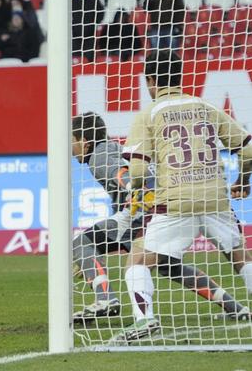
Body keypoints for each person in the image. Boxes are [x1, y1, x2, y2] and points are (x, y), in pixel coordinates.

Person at [119, 50, 252, 341]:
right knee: (240, 256)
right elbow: (248, 149)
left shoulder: (149, 113)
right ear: (179, 76)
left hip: (176, 202)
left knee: (138, 261)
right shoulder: (205, 105)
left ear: (150, 81)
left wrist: (135, 191)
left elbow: (139, 170)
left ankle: (145, 321)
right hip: (215, 197)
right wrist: (243, 180)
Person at [71, 112, 249, 325]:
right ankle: (236, 308)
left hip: (139, 211)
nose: (70, 149)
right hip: (161, 206)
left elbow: (119, 173)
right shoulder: (112, 147)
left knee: (83, 242)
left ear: (84, 141)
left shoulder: (98, 157)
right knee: (170, 266)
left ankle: (105, 299)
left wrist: (134, 190)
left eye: (72, 141)